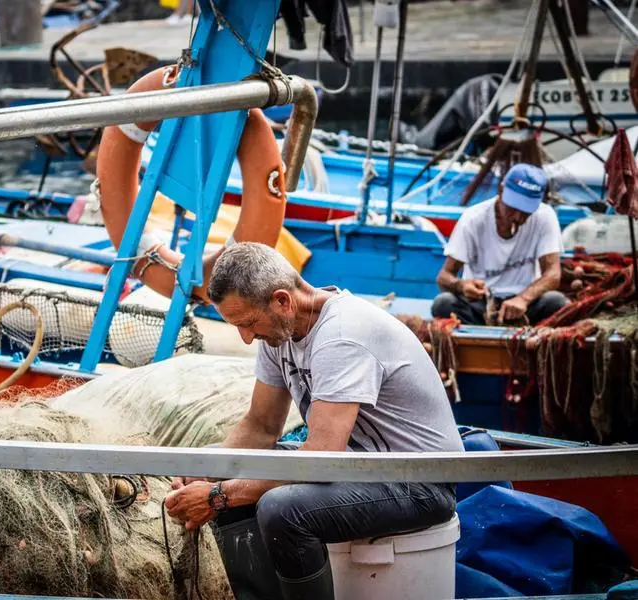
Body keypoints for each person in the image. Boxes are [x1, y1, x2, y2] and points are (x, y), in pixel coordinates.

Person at [163, 242, 463, 600]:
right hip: (360, 466)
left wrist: (218, 496)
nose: (246, 337)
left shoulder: (342, 336)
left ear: (282, 301)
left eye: (247, 323)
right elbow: (260, 427)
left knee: (282, 511)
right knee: (223, 470)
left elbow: (321, 457)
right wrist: (205, 470)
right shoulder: (278, 334)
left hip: (418, 483)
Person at [431, 163, 569, 326]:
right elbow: (444, 276)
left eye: (526, 212)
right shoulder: (473, 219)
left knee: (557, 302)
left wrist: (523, 299)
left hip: (524, 303)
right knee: (443, 303)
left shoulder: (545, 216)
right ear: (501, 191)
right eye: (512, 208)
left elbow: (553, 274)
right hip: (481, 303)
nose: (517, 217)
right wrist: (462, 286)